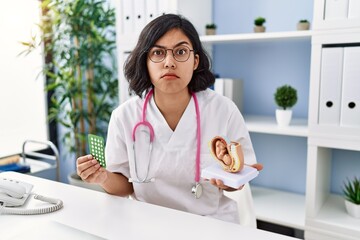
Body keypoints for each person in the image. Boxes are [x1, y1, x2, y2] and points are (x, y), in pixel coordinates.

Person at [76, 14, 262, 224]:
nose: (169, 62)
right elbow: (124, 187)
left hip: (210, 223)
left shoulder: (223, 110)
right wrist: (102, 177)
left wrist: (230, 181)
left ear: (195, 61)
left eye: (181, 52)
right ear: (145, 62)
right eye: (158, 53)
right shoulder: (124, 117)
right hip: (147, 223)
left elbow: (240, 174)